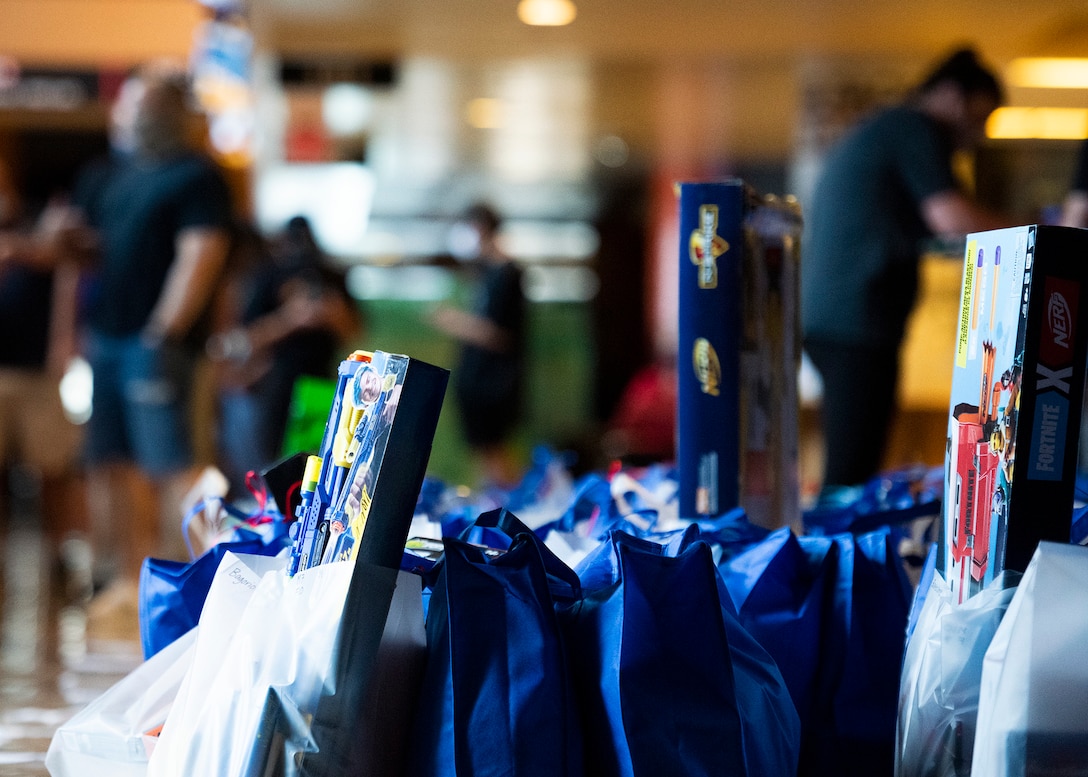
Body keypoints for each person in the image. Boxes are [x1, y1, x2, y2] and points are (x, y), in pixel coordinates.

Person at [62, 63, 234, 613]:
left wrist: (165, 329)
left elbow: (200, 255)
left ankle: (188, 585)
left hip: (156, 344)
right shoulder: (107, 174)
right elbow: (78, 251)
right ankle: (117, 583)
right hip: (105, 340)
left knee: (172, 464)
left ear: (166, 112)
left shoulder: (196, 175)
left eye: (140, 103)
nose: (128, 112)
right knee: (107, 460)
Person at [801, 48, 1009, 495]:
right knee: (849, 476)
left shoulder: (884, 130)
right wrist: (1046, 226)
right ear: (953, 96)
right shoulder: (912, 127)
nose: (976, 135)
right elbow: (951, 218)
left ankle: (836, 557)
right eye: (979, 117)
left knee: (850, 466)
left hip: (840, 317)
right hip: (856, 320)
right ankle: (832, 563)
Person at [208, 215, 362, 493]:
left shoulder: (330, 277)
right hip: (274, 383)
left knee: (314, 463)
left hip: (320, 382)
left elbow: (354, 334)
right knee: (274, 464)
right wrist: (290, 319)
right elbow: (248, 339)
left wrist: (332, 313)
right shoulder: (268, 276)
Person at [432, 203, 526, 488]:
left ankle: (508, 508)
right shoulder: (485, 274)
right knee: (484, 453)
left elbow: (501, 335)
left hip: (493, 383)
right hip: (476, 380)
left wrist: (456, 322)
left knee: (495, 451)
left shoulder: (508, 275)